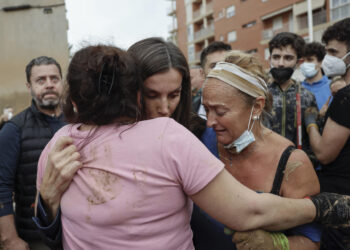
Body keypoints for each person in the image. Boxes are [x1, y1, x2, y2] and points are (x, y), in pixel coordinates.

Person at [35, 44, 350, 250]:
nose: (164, 108)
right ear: (130, 91)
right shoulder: (178, 138)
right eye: (151, 95)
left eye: (174, 95)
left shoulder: (189, 136)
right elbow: (75, 233)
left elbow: (309, 236)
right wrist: (47, 205)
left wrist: (278, 243)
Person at [191, 50, 321, 250]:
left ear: (257, 107)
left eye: (221, 111)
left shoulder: (291, 163)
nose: (209, 122)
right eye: (206, 109)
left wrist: (277, 244)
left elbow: (312, 241)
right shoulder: (202, 142)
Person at [0, 56, 65, 249]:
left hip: (76, 233)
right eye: (41, 80)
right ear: (29, 86)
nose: (49, 85)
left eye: (54, 79)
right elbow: (1, 186)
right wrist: (9, 238)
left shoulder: (78, 124)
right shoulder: (14, 130)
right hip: (36, 237)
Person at [305, 17, 350, 250]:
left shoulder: (346, 96)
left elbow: (324, 153)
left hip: (340, 200)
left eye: (334, 51)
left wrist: (311, 122)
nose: (328, 59)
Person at [264, 32, 318, 166]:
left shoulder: (307, 96)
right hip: (264, 166)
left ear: (298, 62)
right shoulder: (258, 93)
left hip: (297, 168)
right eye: (276, 57)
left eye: (288, 58)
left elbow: (312, 140)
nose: (281, 63)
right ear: (269, 59)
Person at [193, 41, 231, 119]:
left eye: (226, 65)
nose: (221, 70)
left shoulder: (251, 109)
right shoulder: (190, 110)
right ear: (202, 73)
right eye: (214, 66)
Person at [300, 42, 331, 110]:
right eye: (302, 61)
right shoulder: (297, 88)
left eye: (309, 60)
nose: (305, 64)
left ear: (321, 62)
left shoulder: (332, 87)